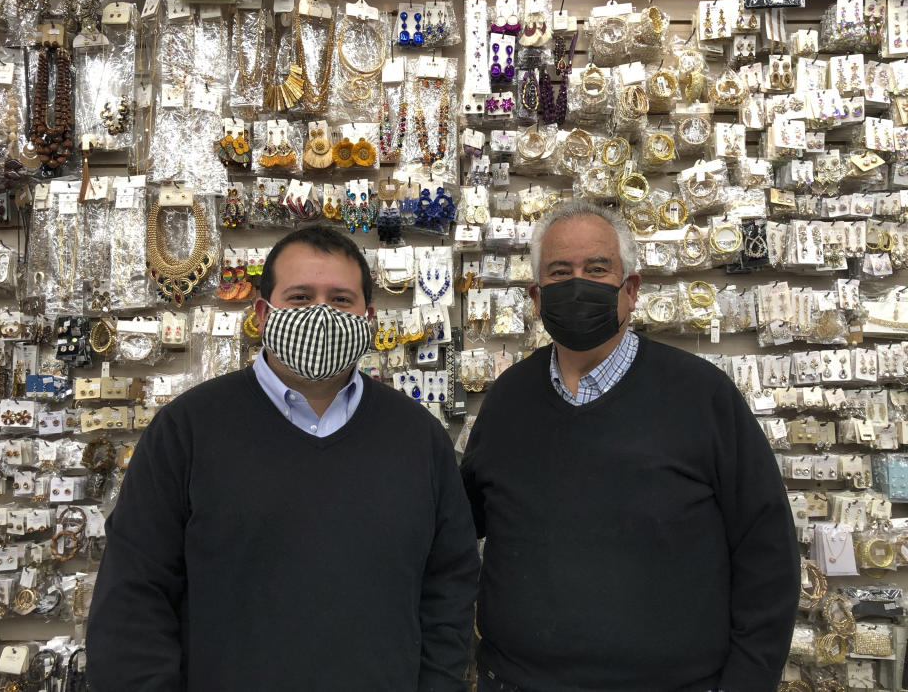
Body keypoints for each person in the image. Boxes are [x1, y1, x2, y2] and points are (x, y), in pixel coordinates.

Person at [88, 225, 479, 691]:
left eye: (340, 299)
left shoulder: (419, 437)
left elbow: (448, 584)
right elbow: (133, 596)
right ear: (263, 312)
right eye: (299, 297)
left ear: (368, 319)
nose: (320, 313)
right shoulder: (186, 430)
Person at [461, 201, 799, 692]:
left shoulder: (702, 396)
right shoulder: (507, 399)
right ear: (536, 297)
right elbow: (461, 526)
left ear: (631, 289)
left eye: (597, 269)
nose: (579, 284)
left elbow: (768, 553)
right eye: (560, 272)